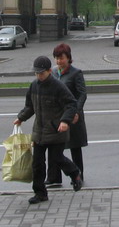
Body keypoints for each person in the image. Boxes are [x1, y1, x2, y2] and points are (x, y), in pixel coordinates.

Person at [13, 56, 83, 204]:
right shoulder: (34, 86)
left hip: (56, 131)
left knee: (57, 159)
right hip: (39, 131)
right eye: (36, 73)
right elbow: (30, 106)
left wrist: (65, 121)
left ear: (49, 71)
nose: (39, 76)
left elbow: (71, 104)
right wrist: (21, 118)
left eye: (41, 73)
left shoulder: (58, 87)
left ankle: (74, 173)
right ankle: (40, 193)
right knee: (37, 164)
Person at [45, 43, 88, 188]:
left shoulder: (76, 73)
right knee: (54, 146)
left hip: (73, 115)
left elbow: (82, 94)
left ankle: (78, 175)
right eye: (56, 58)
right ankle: (54, 177)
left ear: (68, 58)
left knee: (75, 146)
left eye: (61, 58)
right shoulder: (53, 72)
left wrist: (76, 111)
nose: (59, 61)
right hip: (57, 115)